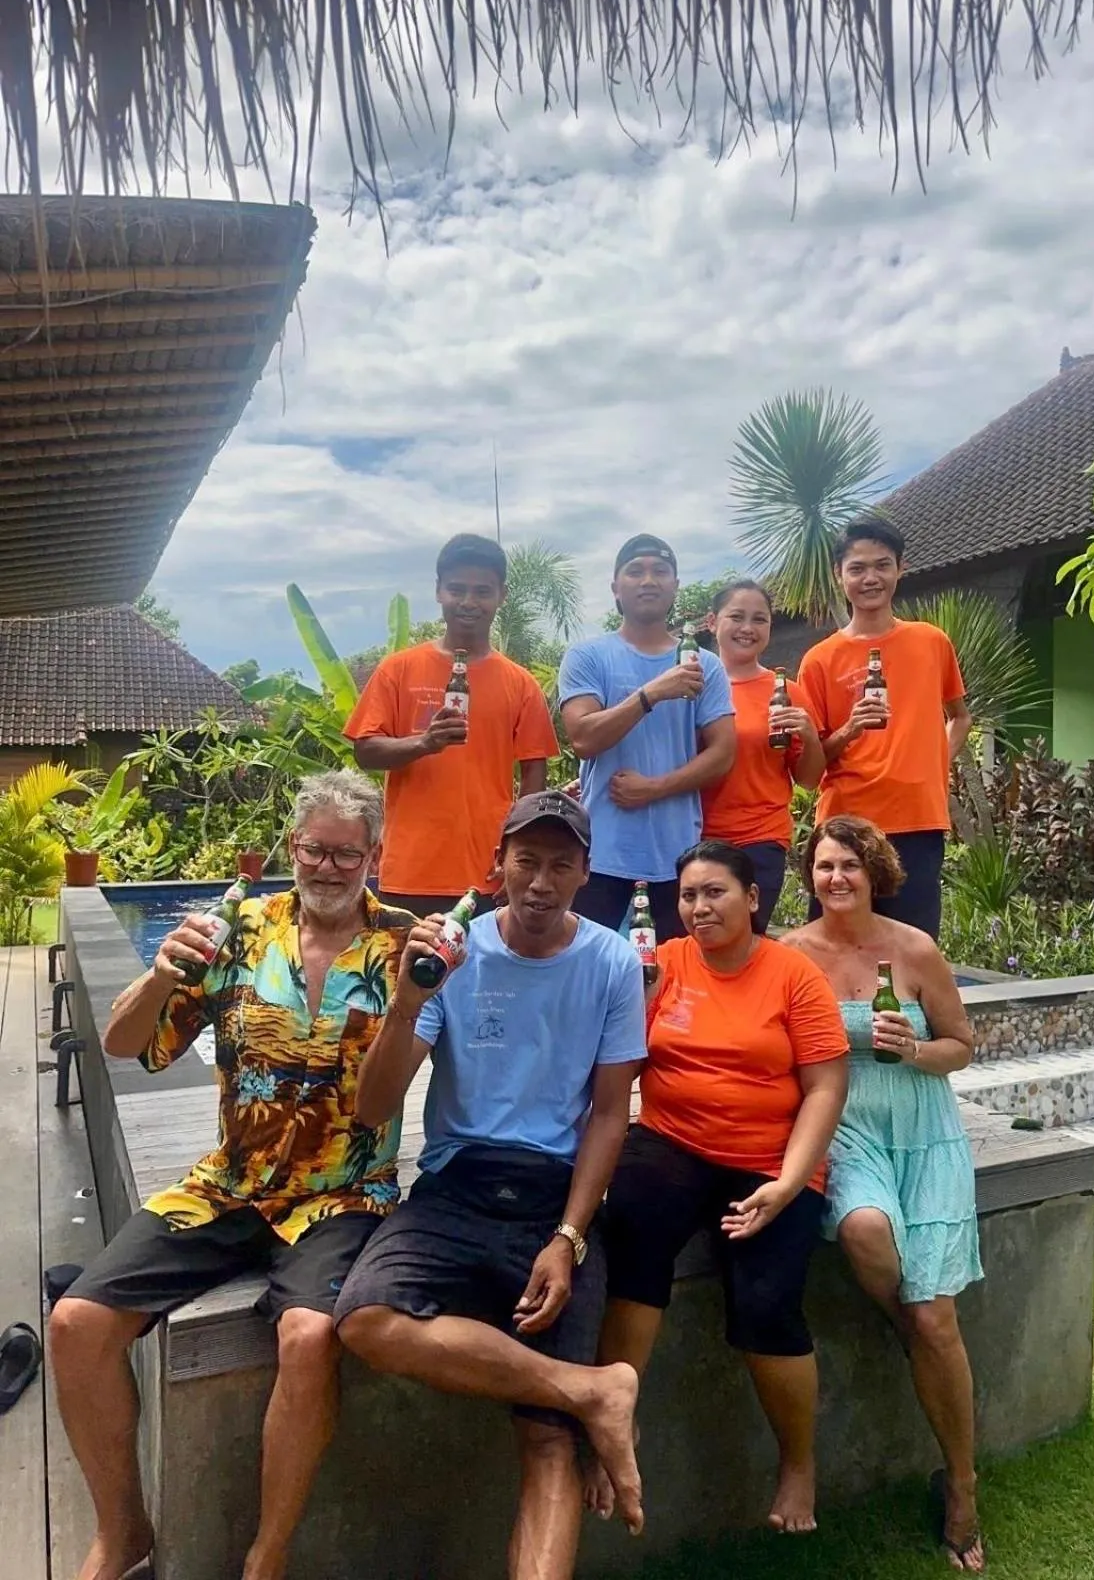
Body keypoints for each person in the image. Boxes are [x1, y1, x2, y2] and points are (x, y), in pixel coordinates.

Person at [49, 772, 407, 1580]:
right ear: (291, 848)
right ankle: (122, 1530)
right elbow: (127, 1044)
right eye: (314, 849)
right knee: (74, 1323)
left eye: (347, 854)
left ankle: (265, 1556)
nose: (327, 867)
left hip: (340, 1193)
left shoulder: (401, 948)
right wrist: (164, 970)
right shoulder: (235, 931)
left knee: (308, 1334)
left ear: (373, 858)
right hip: (231, 1181)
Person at [335, 789, 648, 1579]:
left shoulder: (612, 962)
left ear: (585, 873)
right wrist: (409, 1000)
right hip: (455, 1184)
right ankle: (591, 1389)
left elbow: (611, 1114)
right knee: (365, 1319)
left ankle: (569, 1400)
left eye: (560, 864)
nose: (540, 881)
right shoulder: (454, 953)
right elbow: (374, 1108)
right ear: (499, 864)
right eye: (526, 861)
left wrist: (570, 1238)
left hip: (554, 1197)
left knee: (547, 1441)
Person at [587, 840, 849, 1535]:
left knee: (765, 1301)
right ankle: (618, 1413)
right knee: (634, 1225)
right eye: (689, 896)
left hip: (771, 1159)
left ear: (753, 898)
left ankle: (797, 1462)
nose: (699, 908)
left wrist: (790, 1184)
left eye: (715, 893)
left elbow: (827, 1086)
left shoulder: (793, 975)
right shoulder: (664, 965)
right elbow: (621, 1066)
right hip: (673, 1140)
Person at [784, 816, 985, 1574]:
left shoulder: (913, 950)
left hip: (924, 1130)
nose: (835, 879)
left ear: (876, 872)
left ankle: (961, 1487)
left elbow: (962, 1046)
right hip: (843, 1126)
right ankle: (910, 1329)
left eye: (849, 866)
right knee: (869, 1234)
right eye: (823, 866)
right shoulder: (791, 955)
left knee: (941, 1318)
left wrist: (919, 1048)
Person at [345, 532, 560, 917]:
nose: (468, 602)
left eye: (482, 591)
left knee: (488, 978)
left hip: (489, 877)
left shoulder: (521, 684)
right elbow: (365, 750)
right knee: (407, 976)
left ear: (501, 596)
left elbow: (534, 781)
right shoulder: (398, 669)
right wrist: (423, 743)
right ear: (439, 591)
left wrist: (518, 864)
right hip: (410, 872)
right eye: (457, 589)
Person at [798, 514, 972, 937]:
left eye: (882, 565)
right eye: (857, 568)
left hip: (918, 821)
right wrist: (849, 731)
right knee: (833, 944)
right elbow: (810, 766)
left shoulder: (931, 642)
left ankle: (906, 1009)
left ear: (900, 569)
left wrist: (936, 766)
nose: (870, 578)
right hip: (845, 826)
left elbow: (961, 716)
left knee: (911, 944)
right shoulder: (820, 659)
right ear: (839, 575)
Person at [558, 533, 735, 939]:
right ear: (616, 589)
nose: (648, 580)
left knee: (676, 981)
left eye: (660, 571)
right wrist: (653, 692)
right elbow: (583, 738)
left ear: (675, 585)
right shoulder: (588, 656)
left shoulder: (704, 664)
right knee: (589, 972)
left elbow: (723, 753)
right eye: (635, 571)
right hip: (600, 857)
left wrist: (654, 788)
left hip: (679, 858)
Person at [698, 579, 824, 931]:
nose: (747, 628)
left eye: (759, 619)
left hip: (760, 839)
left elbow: (810, 779)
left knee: (745, 942)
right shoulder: (689, 685)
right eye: (736, 617)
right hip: (692, 836)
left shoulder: (785, 691)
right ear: (712, 622)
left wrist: (810, 736)